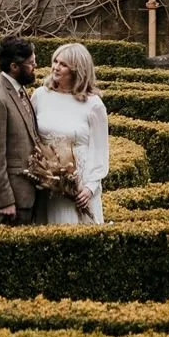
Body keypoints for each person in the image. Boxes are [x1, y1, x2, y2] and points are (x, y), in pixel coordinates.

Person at [29, 42, 109, 225]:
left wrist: (89, 188)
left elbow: (100, 151)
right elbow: (32, 137)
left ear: (77, 70)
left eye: (63, 64)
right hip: (47, 185)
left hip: (79, 186)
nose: (56, 67)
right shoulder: (40, 95)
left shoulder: (93, 105)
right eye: (55, 61)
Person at [0, 35, 40, 226]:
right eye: (31, 63)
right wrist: (5, 200)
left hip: (27, 193)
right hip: (13, 199)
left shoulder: (17, 88)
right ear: (14, 67)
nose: (35, 66)